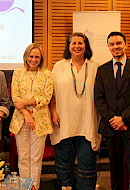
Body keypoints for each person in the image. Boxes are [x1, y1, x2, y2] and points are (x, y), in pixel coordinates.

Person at [49, 32, 101, 190]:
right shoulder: (59, 66)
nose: (77, 46)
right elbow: (52, 94)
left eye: (81, 43)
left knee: (87, 162)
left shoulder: (95, 66)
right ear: (69, 46)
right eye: (74, 43)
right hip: (63, 122)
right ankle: (65, 186)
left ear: (86, 46)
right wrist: (53, 112)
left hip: (87, 123)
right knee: (64, 160)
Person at [94, 31, 130, 190]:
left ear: (126, 45)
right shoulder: (102, 70)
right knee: (115, 170)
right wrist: (114, 119)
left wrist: (124, 118)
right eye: (112, 44)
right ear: (108, 47)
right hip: (111, 128)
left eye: (119, 43)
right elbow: (99, 99)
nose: (116, 47)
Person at [9, 43, 53, 190]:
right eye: (31, 56)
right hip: (21, 120)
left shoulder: (47, 74)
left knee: (36, 158)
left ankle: (34, 187)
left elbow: (46, 98)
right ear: (26, 57)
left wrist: (26, 102)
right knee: (23, 158)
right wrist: (27, 114)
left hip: (40, 121)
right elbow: (15, 97)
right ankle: (24, 188)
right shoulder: (17, 73)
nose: (33, 59)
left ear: (41, 59)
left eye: (37, 57)